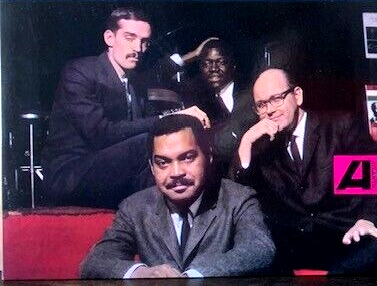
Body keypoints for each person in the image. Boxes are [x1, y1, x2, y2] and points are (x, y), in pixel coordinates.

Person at [43, 8, 211, 209]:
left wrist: (195, 55)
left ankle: (175, 215)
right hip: (70, 175)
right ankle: (165, 217)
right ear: (109, 38)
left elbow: (161, 70)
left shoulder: (134, 80)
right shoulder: (80, 72)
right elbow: (101, 134)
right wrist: (172, 117)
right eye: (130, 38)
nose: (138, 48)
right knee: (144, 143)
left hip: (112, 170)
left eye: (144, 41)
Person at [230, 68, 377, 274]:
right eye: (262, 105)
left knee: (376, 248)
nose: (270, 110)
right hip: (292, 244)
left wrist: (366, 220)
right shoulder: (262, 147)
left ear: (297, 95)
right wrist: (246, 142)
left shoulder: (340, 127)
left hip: (345, 234)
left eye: (276, 99)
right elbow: (236, 194)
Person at [80, 114, 275, 278]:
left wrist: (193, 276)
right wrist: (140, 273)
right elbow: (95, 261)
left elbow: (259, 249)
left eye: (187, 158)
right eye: (163, 162)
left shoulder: (237, 199)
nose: (176, 172)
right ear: (152, 168)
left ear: (208, 157)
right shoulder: (135, 208)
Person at [181, 39, 256, 163]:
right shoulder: (195, 101)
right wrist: (194, 54)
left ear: (233, 65)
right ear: (200, 68)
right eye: (207, 63)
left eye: (221, 62)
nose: (213, 68)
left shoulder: (250, 92)